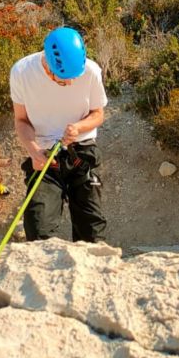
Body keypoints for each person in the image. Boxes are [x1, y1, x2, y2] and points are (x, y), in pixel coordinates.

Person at [10, 27, 107, 242]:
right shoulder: (22, 73)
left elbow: (98, 114)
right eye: (64, 80)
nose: (71, 83)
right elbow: (21, 120)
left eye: (75, 77)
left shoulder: (91, 71)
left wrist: (79, 127)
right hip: (45, 156)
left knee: (92, 232)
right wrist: (33, 150)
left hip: (81, 151)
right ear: (48, 68)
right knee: (38, 228)